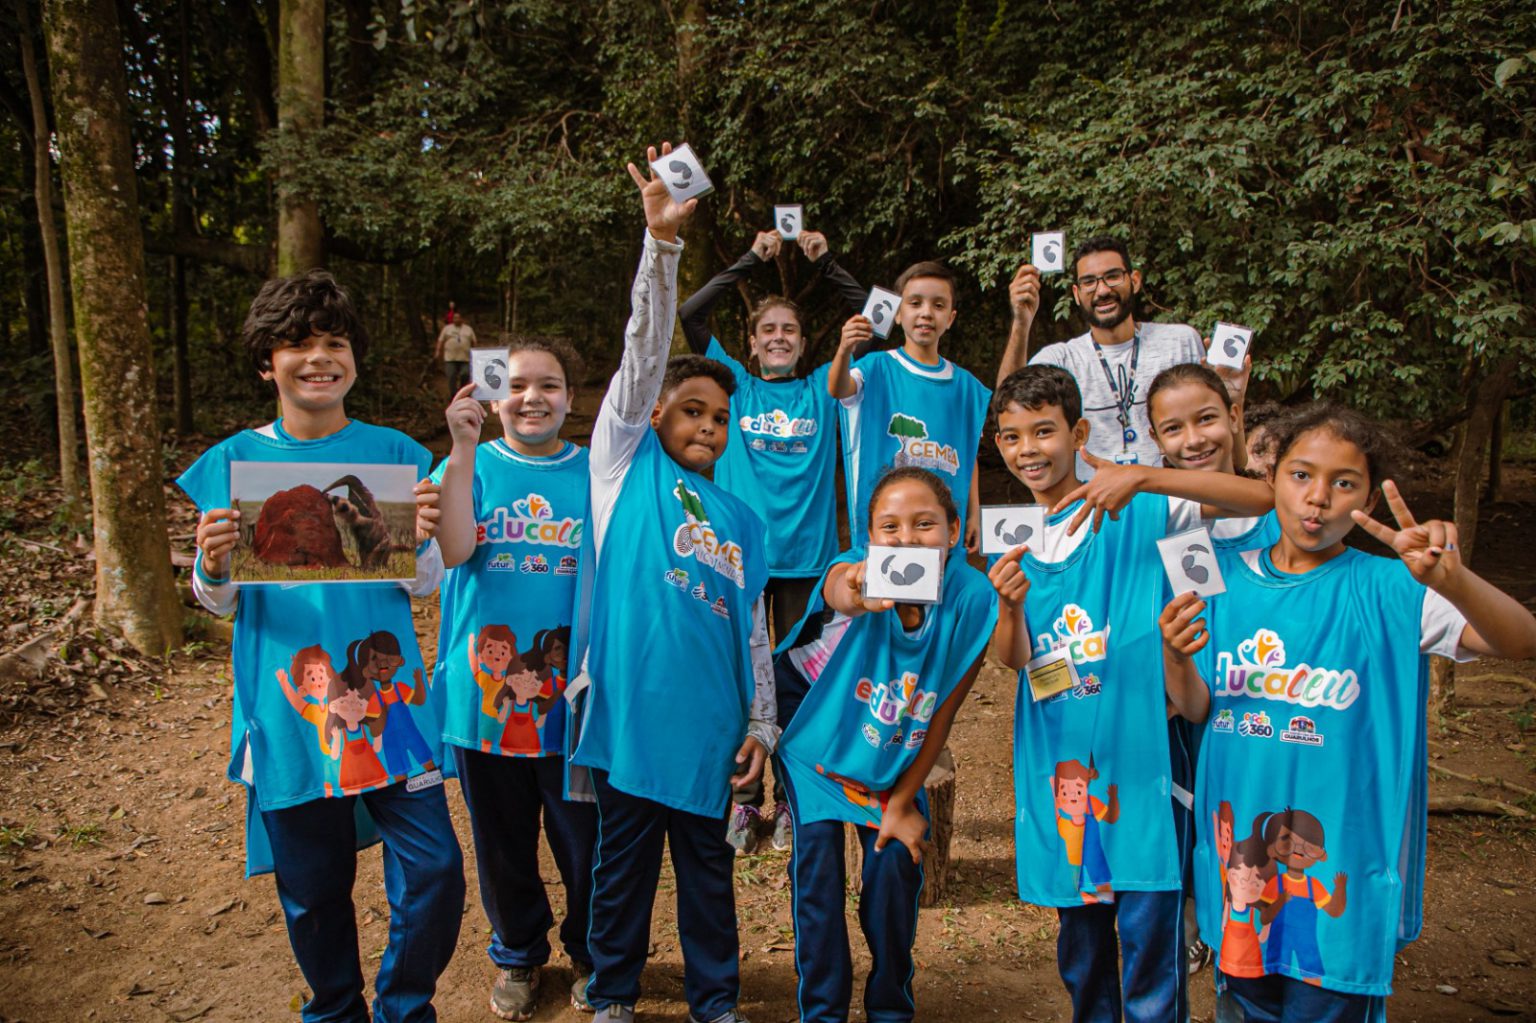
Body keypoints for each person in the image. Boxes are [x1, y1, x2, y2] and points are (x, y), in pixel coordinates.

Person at [1159, 403, 1536, 1022]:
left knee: (1325, 1000)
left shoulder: (1392, 589)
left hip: (1340, 870)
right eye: (1301, 475)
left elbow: (1519, 641)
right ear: (1271, 479)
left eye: (1343, 483)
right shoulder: (1216, 579)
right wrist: (1176, 655)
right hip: (1242, 872)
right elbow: (1198, 706)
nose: (1317, 500)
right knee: (1245, 1007)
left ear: (1368, 498)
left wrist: (1454, 582)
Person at [179, 270, 464, 1023]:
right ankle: (335, 1008)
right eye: (298, 345)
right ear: (266, 362)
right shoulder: (232, 462)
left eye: (334, 344)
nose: (319, 359)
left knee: (435, 867)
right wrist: (210, 564)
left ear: (354, 360)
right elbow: (220, 600)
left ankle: (405, 1006)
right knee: (312, 890)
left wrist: (423, 541)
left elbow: (422, 585)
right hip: (289, 711)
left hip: (392, 708)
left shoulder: (397, 454)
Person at [985, 365, 1272, 1023]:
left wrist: (1145, 474)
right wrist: (1007, 608)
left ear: (1079, 432)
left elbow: (1259, 497)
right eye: (1011, 436)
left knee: (1150, 941)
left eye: (1044, 431)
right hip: (1061, 771)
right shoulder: (1015, 541)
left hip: (1143, 765)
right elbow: (1016, 660)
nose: (1028, 449)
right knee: (1082, 953)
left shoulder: (1140, 508)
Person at [570, 144, 773, 1023]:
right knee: (620, 875)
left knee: (709, 880)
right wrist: (661, 247)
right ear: (653, 413)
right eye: (692, 409)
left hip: (713, 734)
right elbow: (643, 348)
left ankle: (715, 1001)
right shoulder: (622, 464)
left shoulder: (740, 520)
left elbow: (754, 630)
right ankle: (611, 992)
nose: (709, 425)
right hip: (632, 720)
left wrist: (762, 721)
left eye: (721, 416)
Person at [774, 466, 996, 1023]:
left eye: (925, 524)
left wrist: (902, 802)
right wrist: (857, 587)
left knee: (896, 867)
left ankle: (890, 1005)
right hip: (815, 745)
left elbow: (943, 710)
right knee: (818, 876)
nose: (906, 539)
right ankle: (823, 1011)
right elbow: (839, 588)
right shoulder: (858, 572)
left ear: (952, 530)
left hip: (892, 754)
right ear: (870, 536)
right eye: (889, 527)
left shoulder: (972, 596)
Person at [678, 226, 868, 854]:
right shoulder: (735, 385)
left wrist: (826, 258)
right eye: (768, 331)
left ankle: (791, 800)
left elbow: (877, 320)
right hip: (740, 562)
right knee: (742, 681)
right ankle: (741, 801)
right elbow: (691, 312)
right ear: (752, 345)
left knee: (801, 685)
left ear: (804, 342)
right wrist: (750, 261)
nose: (779, 338)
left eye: (789, 330)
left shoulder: (827, 389)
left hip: (810, 567)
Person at [432, 336, 596, 1019]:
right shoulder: (467, 465)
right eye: (519, 384)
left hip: (574, 701)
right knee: (502, 844)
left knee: (586, 842)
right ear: (494, 392)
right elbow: (454, 547)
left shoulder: (596, 472)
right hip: (487, 702)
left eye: (550, 384)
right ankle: (519, 951)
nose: (534, 397)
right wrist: (463, 450)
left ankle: (595, 951)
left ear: (571, 397)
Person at [997, 237, 1250, 476]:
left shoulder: (1181, 341)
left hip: (1173, 502)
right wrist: (1022, 321)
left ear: (1135, 280)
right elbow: (1007, 407)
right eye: (1089, 282)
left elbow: (1231, 456)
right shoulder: (1061, 358)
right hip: (1096, 506)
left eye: (1113, 277)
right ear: (1076, 293)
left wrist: (1230, 396)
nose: (1102, 290)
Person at [829, 261, 990, 552]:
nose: (926, 313)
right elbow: (838, 389)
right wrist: (843, 351)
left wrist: (975, 512)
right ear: (898, 314)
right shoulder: (877, 367)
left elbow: (970, 453)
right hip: (886, 533)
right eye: (915, 303)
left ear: (951, 318)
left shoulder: (967, 385)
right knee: (888, 596)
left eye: (938, 305)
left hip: (942, 534)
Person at [436, 309, 477, 395]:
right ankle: (453, 395)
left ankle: (462, 392)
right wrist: (438, 351)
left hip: (465, 358)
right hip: (450, 358)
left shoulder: (468, 329)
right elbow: (440, 340)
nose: (456, 319)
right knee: (451, 376)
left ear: (462, 319)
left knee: (465, 374)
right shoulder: (447, 328)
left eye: (458, 318)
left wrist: (475, 354)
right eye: (455, 318)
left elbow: (474, 342)